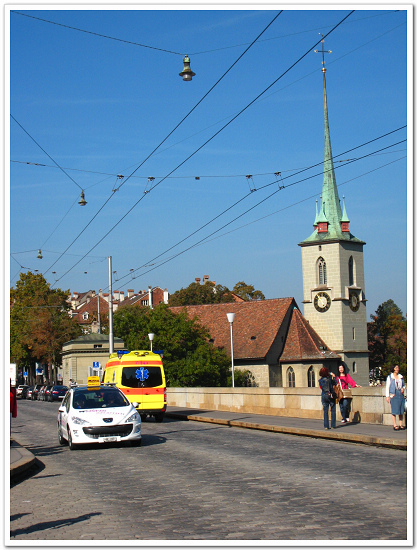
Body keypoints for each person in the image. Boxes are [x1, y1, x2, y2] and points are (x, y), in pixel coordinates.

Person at [386, 365, 406, 430]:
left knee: (401, 410)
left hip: (400, 394)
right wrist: (387, 396)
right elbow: (387, 387)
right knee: (394, 410)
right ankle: (395, 425)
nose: (397, 369)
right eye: (396, 368)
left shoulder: (401, 377)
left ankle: (401, 424)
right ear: (393, 369)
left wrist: (403, 388)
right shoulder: (390, 377)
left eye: (398, 368)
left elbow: (404, 385)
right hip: (394, 394)